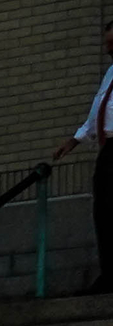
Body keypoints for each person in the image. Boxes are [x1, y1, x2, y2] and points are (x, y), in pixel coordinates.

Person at [51, 20, 113, 294]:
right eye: (107, 44)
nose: (108, 49)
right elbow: (99, 110)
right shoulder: (110, 72)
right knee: (104, 211)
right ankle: (109, 272)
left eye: (112, 43)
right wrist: (74, 140)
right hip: (109, 148)